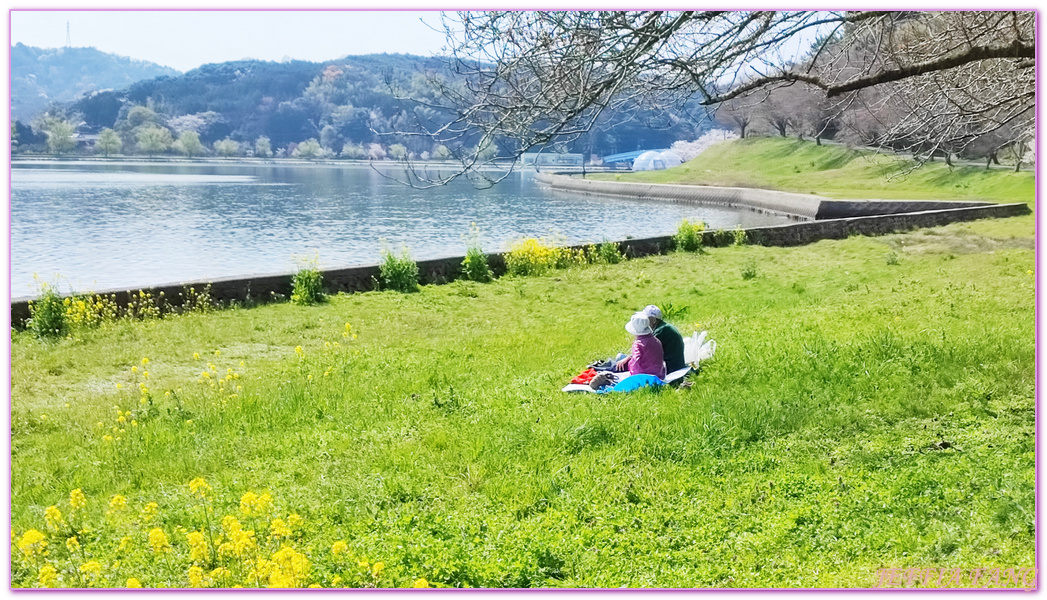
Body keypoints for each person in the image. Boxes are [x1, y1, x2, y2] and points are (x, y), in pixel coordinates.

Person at [615, 312, 665, 379]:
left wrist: (633, 376)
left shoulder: (638, 344)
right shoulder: (656, 341)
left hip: (643, 375)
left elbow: (636, 360)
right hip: (658, 374)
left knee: (616, 364)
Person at [643, 305, 687, 373]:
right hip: (675, 365)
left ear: (654, 320)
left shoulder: (661, 331)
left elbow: (646, 352)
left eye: (646, 319)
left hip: (670, 368)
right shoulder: (664, 327)